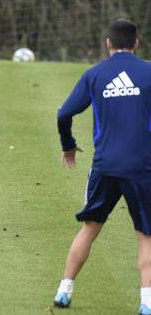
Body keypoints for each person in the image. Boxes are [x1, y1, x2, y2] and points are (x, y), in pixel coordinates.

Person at [52, 18, 151, 313]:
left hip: (105, 166)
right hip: (142, 169)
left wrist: (68, 144)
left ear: (108, 43)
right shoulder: (148, 73)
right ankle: (146, 302)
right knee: (146, 235)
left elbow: (64, 112)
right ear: (136, 44)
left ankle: (64, 290)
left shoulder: (95, 75)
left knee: (90, 228)